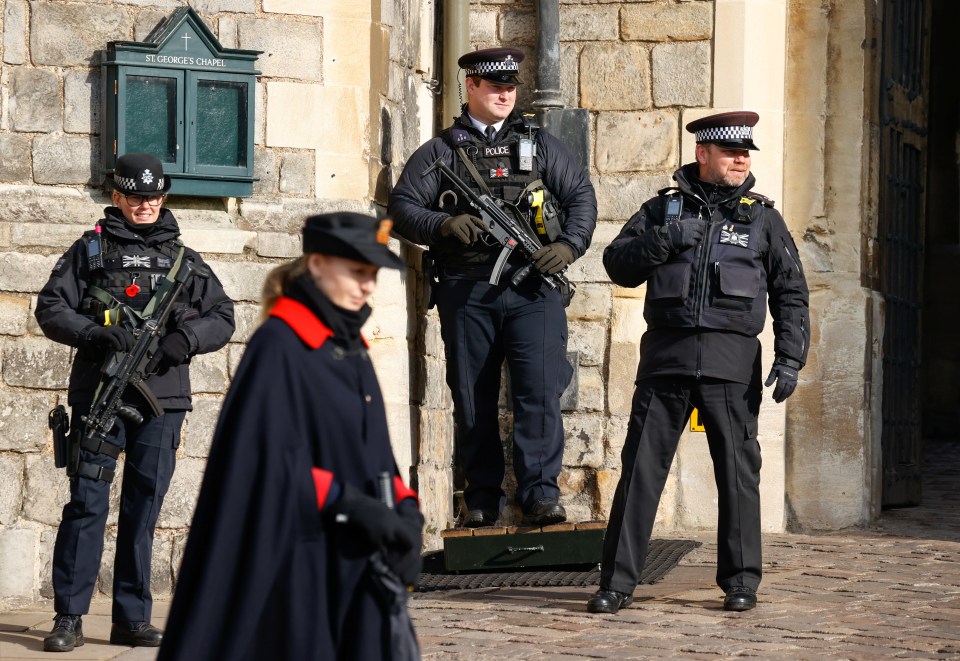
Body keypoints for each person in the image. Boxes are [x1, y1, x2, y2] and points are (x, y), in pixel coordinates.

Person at [157, 212, 425, 661]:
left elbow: (373, 451)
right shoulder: (280, 346)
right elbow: (263, 468)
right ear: (318, 264)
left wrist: (405, 511)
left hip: (356, 560)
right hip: (298, 562)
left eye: (373, 274)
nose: (368, 286)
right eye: (358, 272)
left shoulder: (350, 345)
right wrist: (349, 502)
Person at [588, 111, 810, 614]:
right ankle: (617, 583)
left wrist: (791, 356)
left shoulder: (762, 219)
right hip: (665, 361)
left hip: (731, 365)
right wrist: (662, 241)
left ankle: (740, 582)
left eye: (745, 153)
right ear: (701, 154)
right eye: (731, 152)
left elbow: (791, 291)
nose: (741, 160)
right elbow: (617, 264)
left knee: (737, 472)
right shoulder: (661, 210)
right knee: (641, 471)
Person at [388, 46, 597, 528]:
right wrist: (442, 225)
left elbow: (581, 198)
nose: (505, 93)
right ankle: (481, 499)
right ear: (471, 87)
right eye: (495, 85)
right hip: (468, 290)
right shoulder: (441, 151)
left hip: (533, 290)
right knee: (472, 396)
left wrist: (567, 247)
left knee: (539, 394)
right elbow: (402, 207)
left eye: (511, 86)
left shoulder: (541, 145)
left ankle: (541, 496)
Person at [35, 152, 235, 652]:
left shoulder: (186, 262)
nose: (145, 205)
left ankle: (131, 618)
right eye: (134, 197)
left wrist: (183, 341)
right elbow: (51, 307)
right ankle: (69, 617)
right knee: (86, 503)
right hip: (101, 392)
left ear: (162, 198)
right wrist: (94, 334)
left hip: (162, 398)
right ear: (117, 197)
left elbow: (223, 315)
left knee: (144, 506)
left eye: (153, 197)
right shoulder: (90, 251)